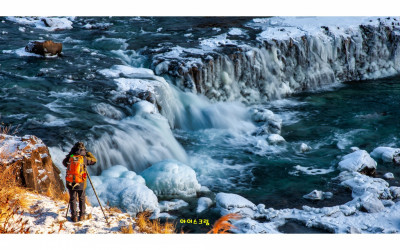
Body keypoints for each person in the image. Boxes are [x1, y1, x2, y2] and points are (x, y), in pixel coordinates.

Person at [62, 142, 97, 222]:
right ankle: (82, 216)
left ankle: (74, 216)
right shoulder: (84, 158)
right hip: (81, 181)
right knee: (81, 198)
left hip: (70, 181)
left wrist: (70, 154)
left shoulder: (71, 157)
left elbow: (64, 163)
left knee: (72, 198)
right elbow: (94, 161)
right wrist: (88, 153)